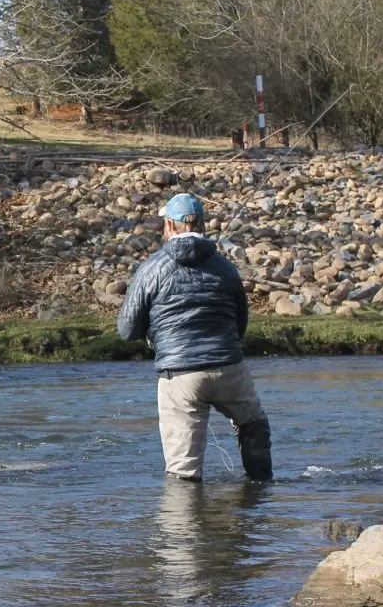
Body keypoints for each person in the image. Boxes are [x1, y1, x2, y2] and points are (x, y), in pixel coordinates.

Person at [116, 193, 273, 482]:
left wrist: (153, 334)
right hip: (229, 368)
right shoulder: (226, 267)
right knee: (253, 424)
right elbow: (240, 324)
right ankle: (260, 502)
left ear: (168, 227)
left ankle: (185, 523)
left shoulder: (151, 268)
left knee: (182, 471)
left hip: (179, 375)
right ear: (201, 224)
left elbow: (127, 331)